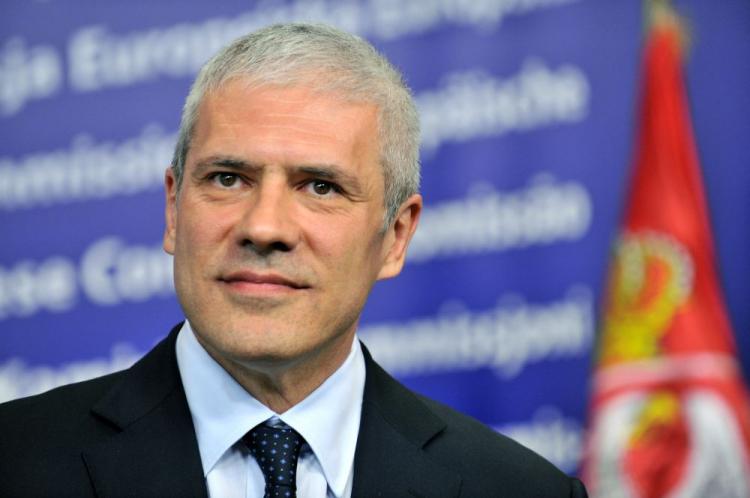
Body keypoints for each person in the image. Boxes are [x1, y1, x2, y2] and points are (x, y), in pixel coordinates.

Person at [0, 23, 587, 498]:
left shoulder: (518, 489)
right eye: (228, 178)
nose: (264, 227)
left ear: (395, 236)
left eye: (321, 187)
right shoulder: (16, 461)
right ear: (174, 210)